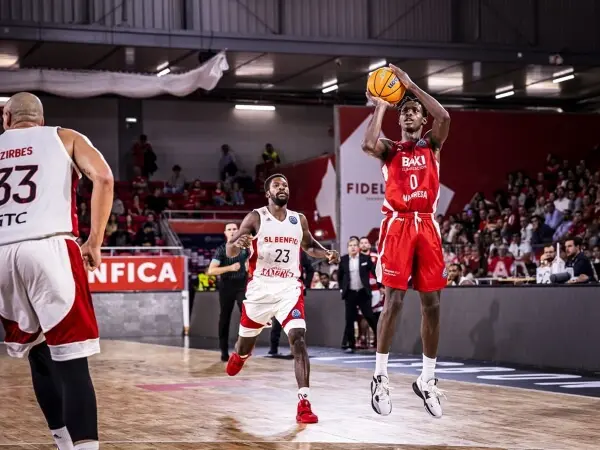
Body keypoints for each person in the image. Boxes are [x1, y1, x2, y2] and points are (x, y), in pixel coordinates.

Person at [0, 92, 113, 450]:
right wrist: (94, 241)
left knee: (38, 354)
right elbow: (104, 179)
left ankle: (62, 443)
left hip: (2, 251)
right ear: (42, 117)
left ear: (6, 119)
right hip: (49, 246)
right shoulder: (65, 136)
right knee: (72, 362)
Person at [362, 64, 451, 418]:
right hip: (398, 226)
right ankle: (380, 376)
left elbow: (443, 115)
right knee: (394, 300)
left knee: (432, 305)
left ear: (422, 119)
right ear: (400, 121)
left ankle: (427, 379)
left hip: (427, 225)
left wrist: (411, 85)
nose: (411, 114)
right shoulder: (389, 149)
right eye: (406, 111)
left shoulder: (433, 143)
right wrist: (383, 102)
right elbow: (368, 143)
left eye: (415, 111)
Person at [224, 173, 340, 424]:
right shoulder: (256, 217)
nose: (282, 187)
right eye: (277, 185)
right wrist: (239, 242)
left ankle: (304, 403)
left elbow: (309, 246)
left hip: (289, 288)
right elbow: (230, 249)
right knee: (244, 345)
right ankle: (241, 356)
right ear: (268, 193)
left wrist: (327, 253)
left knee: (298, 339)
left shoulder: (299, 219)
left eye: (285, 184)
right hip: (260, 290)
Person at [207, 223, 249, 362]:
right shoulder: (221, 250)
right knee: (225, 317)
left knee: (245, 315)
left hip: (242, 285)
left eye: (234, 229)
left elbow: (252, 263)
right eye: (229, 230)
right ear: (225, 233)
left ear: (239, 231)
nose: (232, 231)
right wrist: (230, 267)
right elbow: (211, 270)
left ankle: (241, 348)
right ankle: (224, 351)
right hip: (226, 286)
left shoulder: (245, 249)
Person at [338, 237, 378, 353]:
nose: (353, 247)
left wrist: (381, 286)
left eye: (355, 245)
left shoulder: (365, 258)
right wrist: (342, 289)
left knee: (370, 316)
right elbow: (340, 276)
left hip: (362, 292)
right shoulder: (344, 260)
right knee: (349, 319)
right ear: (348, 248)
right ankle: (351, 344)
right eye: (350, 245)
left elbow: (374, 272)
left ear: (358, 247)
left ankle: (380, 339)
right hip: (350, 293)